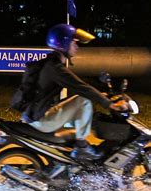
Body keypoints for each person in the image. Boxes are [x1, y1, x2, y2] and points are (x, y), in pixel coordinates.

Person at [25, 24, 129, 161]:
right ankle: (82, 147)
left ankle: (74, 152)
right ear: (64, 43)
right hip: (42, 120)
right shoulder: (55, 68)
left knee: (79, 102)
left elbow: (79, 83)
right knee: (83, 101)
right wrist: (109, 104)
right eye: (74, 42)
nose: (77, 46)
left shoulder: (51, 63)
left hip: (36, 114)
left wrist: (101, 94)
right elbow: (80, 86)